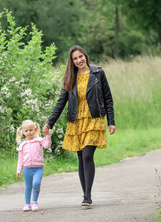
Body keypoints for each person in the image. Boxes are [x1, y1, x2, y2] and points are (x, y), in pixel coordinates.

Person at [43, 45, 115, 209]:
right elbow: (61, 102)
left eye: (80, 56)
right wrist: (50, 123)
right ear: (72, 61)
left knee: (88, 156)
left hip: (94, 119)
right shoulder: (70, 78)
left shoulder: (98, 73)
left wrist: (111, 121)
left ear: (85, 56)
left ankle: (87, 196)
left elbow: (108, 98)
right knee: (81, 158)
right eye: (75, 58)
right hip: (76, 121)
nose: (79, 60)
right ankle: (85, 195)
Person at [16, 119, 51, 212]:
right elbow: (20, 160)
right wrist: (19, 170)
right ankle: (27, 204)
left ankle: (35, 202)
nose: (29, 132)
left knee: (36, 184)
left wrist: (47, 135)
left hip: (38, 169)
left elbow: (47, 145)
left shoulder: (39, 141)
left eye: (31, 130)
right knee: (28, 186)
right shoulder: (23, 145)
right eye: (26, 131)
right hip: (27, 169)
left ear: (35, 130)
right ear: (23, 132)